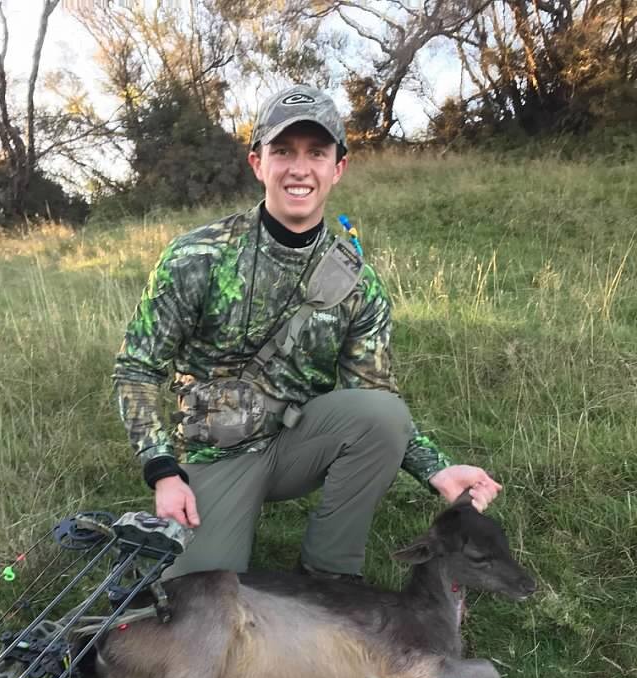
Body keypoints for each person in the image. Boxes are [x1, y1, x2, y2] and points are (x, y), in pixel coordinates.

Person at [113, 84, 501, 581]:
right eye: (282, 151)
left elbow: (374, 395)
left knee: (382, 414)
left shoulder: (360, 284)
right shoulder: (196, 257)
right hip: (216, 454)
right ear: (258, 163)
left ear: (337, 168)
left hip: (299, 446)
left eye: (316, 153)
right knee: (200, 597)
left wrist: (437, 470)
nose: (299, 168)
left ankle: (328, 579)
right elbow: (137, 367)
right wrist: (163, 471)